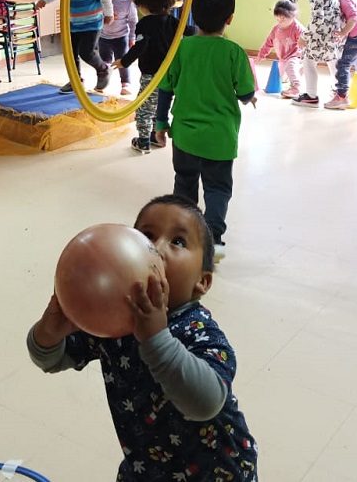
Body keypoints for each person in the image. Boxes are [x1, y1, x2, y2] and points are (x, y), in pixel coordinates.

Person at [27, 195, 258, 481]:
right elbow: (51, 359)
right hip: (147, 467)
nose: (157, 249)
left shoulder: (199, 330)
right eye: (146, 236)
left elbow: (207, 402)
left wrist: (156, 338)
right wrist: (50, 330)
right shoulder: (115, 320)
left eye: (178, 242)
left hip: (218, 470)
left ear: (202, 281)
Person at [155, 0, 256, 260]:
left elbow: (165, 88)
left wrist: (161, 123)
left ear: (193, 16)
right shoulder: (234, 52)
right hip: (219, 140)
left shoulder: (182, 48)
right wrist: (250, 98)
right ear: (230, 19)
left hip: (185, 137)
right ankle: (213, 238)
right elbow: (245, 91)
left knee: (184, 183)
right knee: (217, 187)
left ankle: (182, 236)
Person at [115, 0, 190, 154]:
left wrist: (123, 62)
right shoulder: (172, 21)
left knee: (144, 108)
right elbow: (191, 31)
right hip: (171, 74)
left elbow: (140, 46)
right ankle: (157, 136)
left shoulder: (145, 24)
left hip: (152, 76)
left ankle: (143, 141)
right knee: (160, 105)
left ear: (143, 5)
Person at [291, 0, 343, 106]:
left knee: (308, 61)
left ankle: (311, 95)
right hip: (334, 33)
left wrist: (304, 37)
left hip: (320, 36)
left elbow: (317, 20)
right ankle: (339, 91)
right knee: (333, 60)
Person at [255, 0, 304, 99]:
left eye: (283, 20)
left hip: (295, 56)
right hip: (282, 58)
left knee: (291, 66)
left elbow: (306, 41)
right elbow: (269, 41)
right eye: (278, 20)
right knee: (281, 77)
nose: (280, 22)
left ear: (293, 15)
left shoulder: (297, 28)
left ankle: (296, 88)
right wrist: (261, 54)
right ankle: (298, 72)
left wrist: (303, 53)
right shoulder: (276, 28)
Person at [99, 0, 138, 96]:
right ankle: (102, 82)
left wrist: (132, 38)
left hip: (121, 37)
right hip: (103, 37)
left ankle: (125, 85)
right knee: (104, 62)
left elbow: (133, 21)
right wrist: (104, 16)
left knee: (123, 61)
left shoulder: (128, 2)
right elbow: (95, 15)